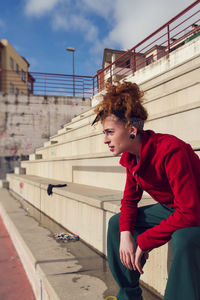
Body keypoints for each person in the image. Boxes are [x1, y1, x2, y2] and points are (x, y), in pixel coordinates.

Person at [92, 81, 200, 300]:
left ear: (132, 130)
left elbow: (190, 212)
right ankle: (129, 295)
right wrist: (125, 236)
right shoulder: (131, 158)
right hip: (173, 208)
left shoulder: (171, 151)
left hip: (195, 208)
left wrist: (144, 241)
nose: (105, 140)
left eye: (110, 132)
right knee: (117, 225)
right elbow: (130, 201)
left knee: (184, 238)